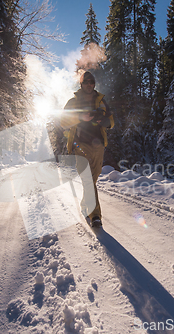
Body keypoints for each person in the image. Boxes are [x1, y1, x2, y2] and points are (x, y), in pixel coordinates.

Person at [61, 71, 114, 227]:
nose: (89, 85)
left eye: (91, 82)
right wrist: (80, 118)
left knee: (92, 179)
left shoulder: (102, 102)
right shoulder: (73, 102)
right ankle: (95, 215)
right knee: (88, 180)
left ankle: (86, 205)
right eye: (86, 82)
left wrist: (102, 120)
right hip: (79, 145)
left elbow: (111, 122)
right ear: (81, 84)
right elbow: (63, 121)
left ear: (94, 84)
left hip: (98, 145)